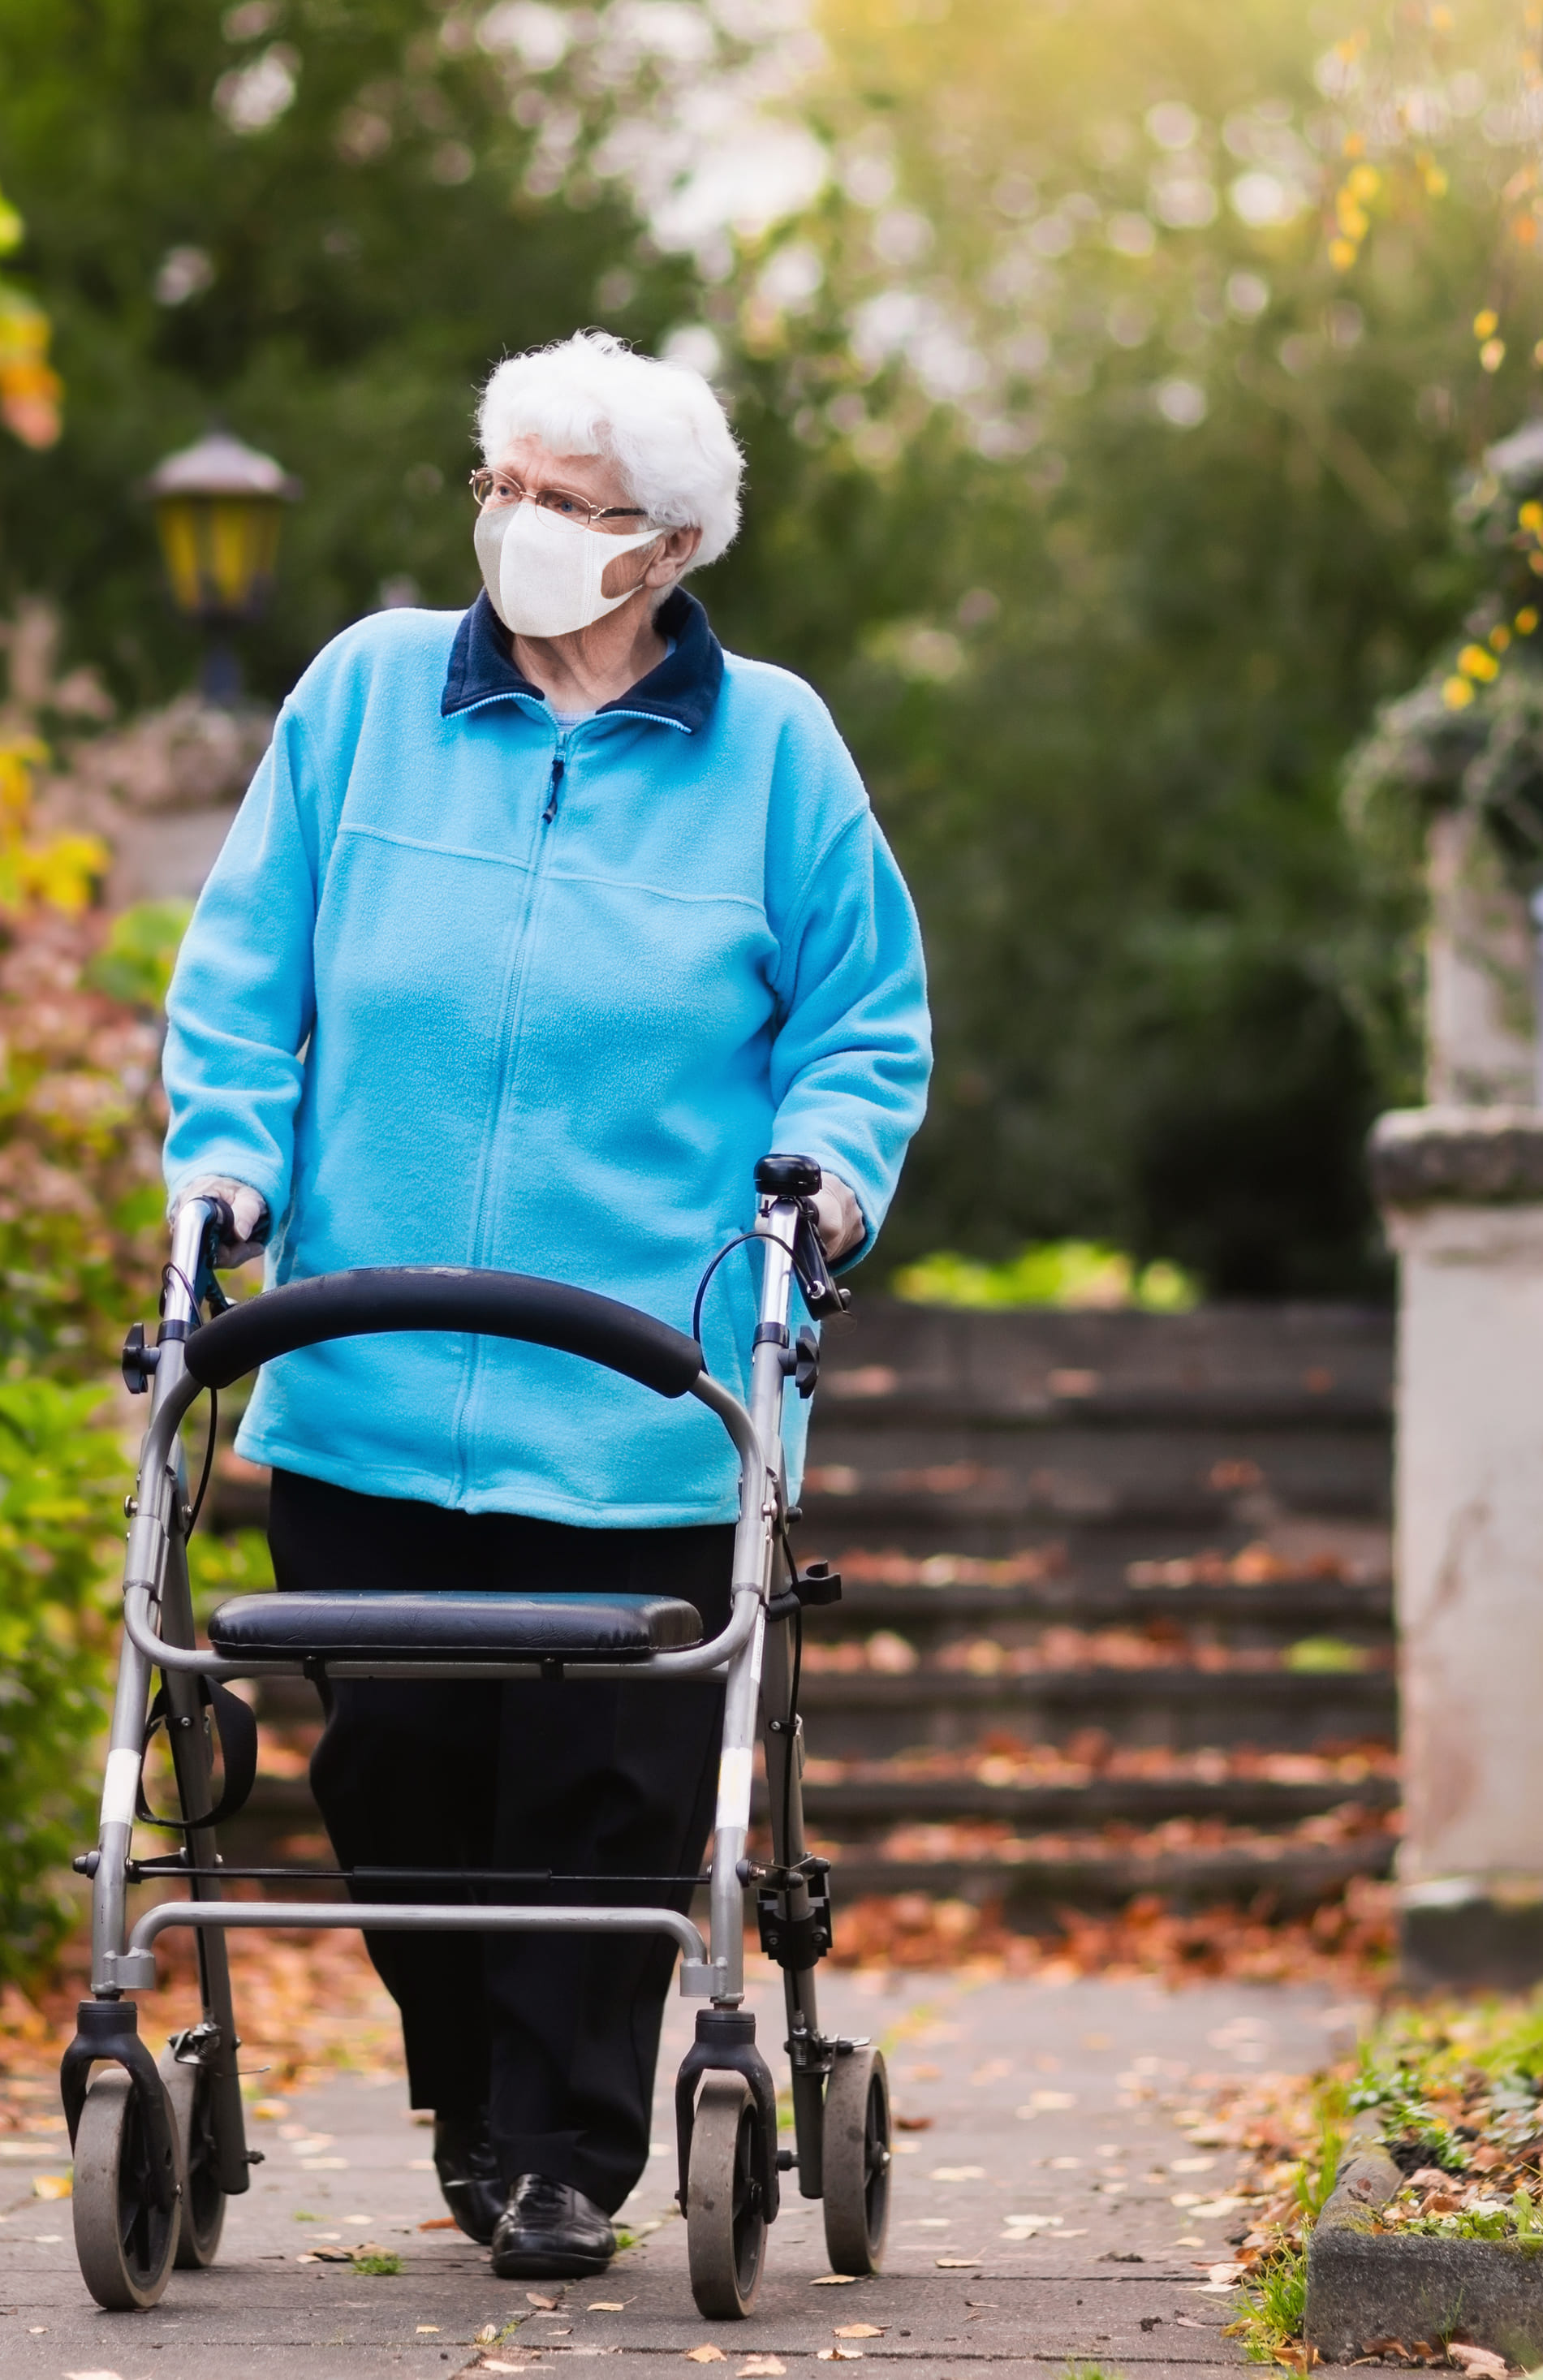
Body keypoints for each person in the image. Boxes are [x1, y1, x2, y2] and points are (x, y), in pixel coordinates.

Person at [158, 330, 933, 2282]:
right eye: (495, 483)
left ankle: (567, 2150)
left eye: (564, 501)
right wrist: (225, 1156)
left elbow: (863, 1020)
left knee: (607, 1791)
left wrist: (825, 1177)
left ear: (664, 546)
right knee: (397, 1766)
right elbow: (243, 969)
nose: (513, 523)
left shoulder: (776, 751)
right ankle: (476, 2106)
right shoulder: (358, 702)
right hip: (366, 1362)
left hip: (649, 1389)